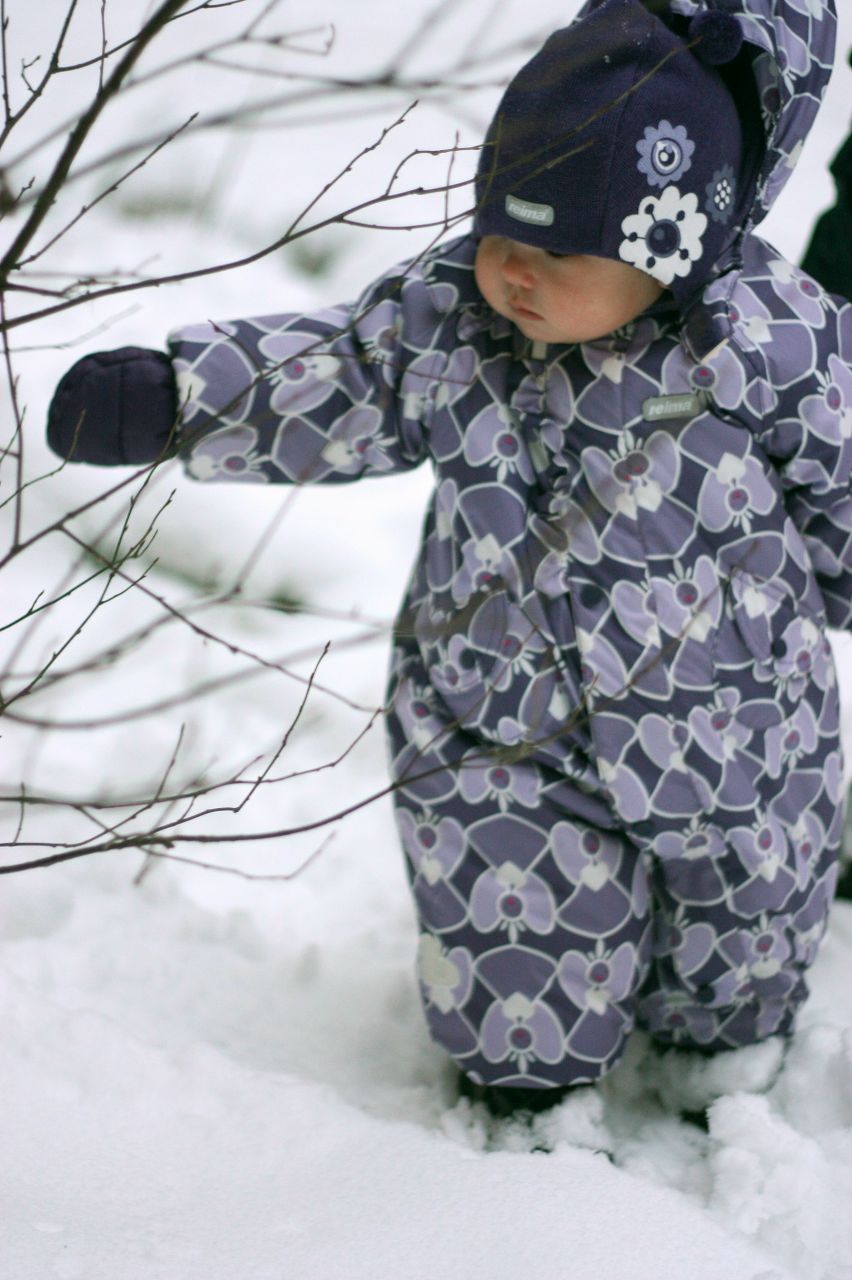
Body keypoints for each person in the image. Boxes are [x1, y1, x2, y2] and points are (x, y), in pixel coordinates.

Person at [47, 0, 851, 1121]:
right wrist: (180, 401)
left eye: (557, 248)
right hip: (498, 723)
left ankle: (720, 1067)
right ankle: (525, 1087)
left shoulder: (769, 339)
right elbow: (333, 374)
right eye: (498, 235)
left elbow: (844, 467)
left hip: (740, 722)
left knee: (743, 951)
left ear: (674, 247)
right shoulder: (448, 328)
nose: (513, 273)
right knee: (513, 953)